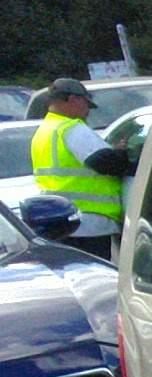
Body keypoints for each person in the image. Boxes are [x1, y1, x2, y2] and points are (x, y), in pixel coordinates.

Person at [31, 77, 136, 261]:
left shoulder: (44, 131)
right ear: (73, 99)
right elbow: (105, 162)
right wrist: (124, 153)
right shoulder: (71, 127)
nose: (87, 112)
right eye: (86, 104)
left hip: (61, 221)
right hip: (89, 221)